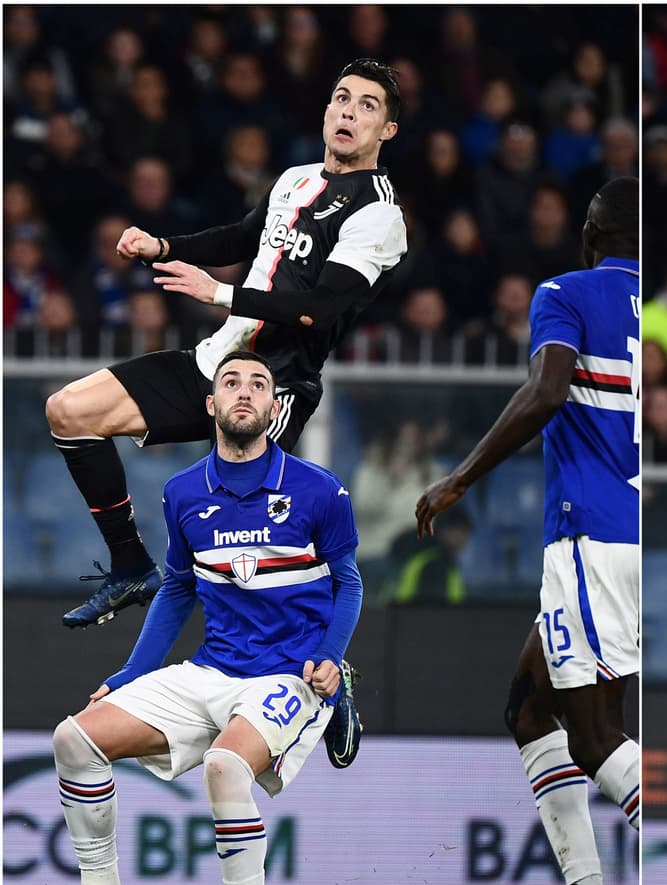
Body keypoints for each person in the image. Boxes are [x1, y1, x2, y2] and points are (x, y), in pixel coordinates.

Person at [12, 351, 362, 885]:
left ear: (275, 406)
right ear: (210, 404)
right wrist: (131, 674)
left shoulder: (318, 489)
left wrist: (331, 656)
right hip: (211, 669)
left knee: (225, 767)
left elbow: (349, 581)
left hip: (292, 673)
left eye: (259, 384)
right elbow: (177, 588)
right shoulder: (183, 492)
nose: (244, 392)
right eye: (231, 382)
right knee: (74, 739)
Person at [49, 59, 407, 632]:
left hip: (274, 384)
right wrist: (163, 246)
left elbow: (319, 309)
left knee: (240, 550)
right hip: (216, 362)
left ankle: (318, 662)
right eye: (342, 98)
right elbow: (242, 237)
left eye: (368, 106)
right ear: (326, 110)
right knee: (69, 411)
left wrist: (217, 292)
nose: (349, 112)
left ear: (387, 130)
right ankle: (130, 567)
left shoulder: (378, 214)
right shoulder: (295, 178)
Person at [414, 176, 639, 885]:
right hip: (638, 534)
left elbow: (546, 392)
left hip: (590, 536)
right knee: (528, 709)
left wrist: (460, 477)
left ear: (591, 231)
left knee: (596, 739)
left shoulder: (566, 292)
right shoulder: (661, 312)